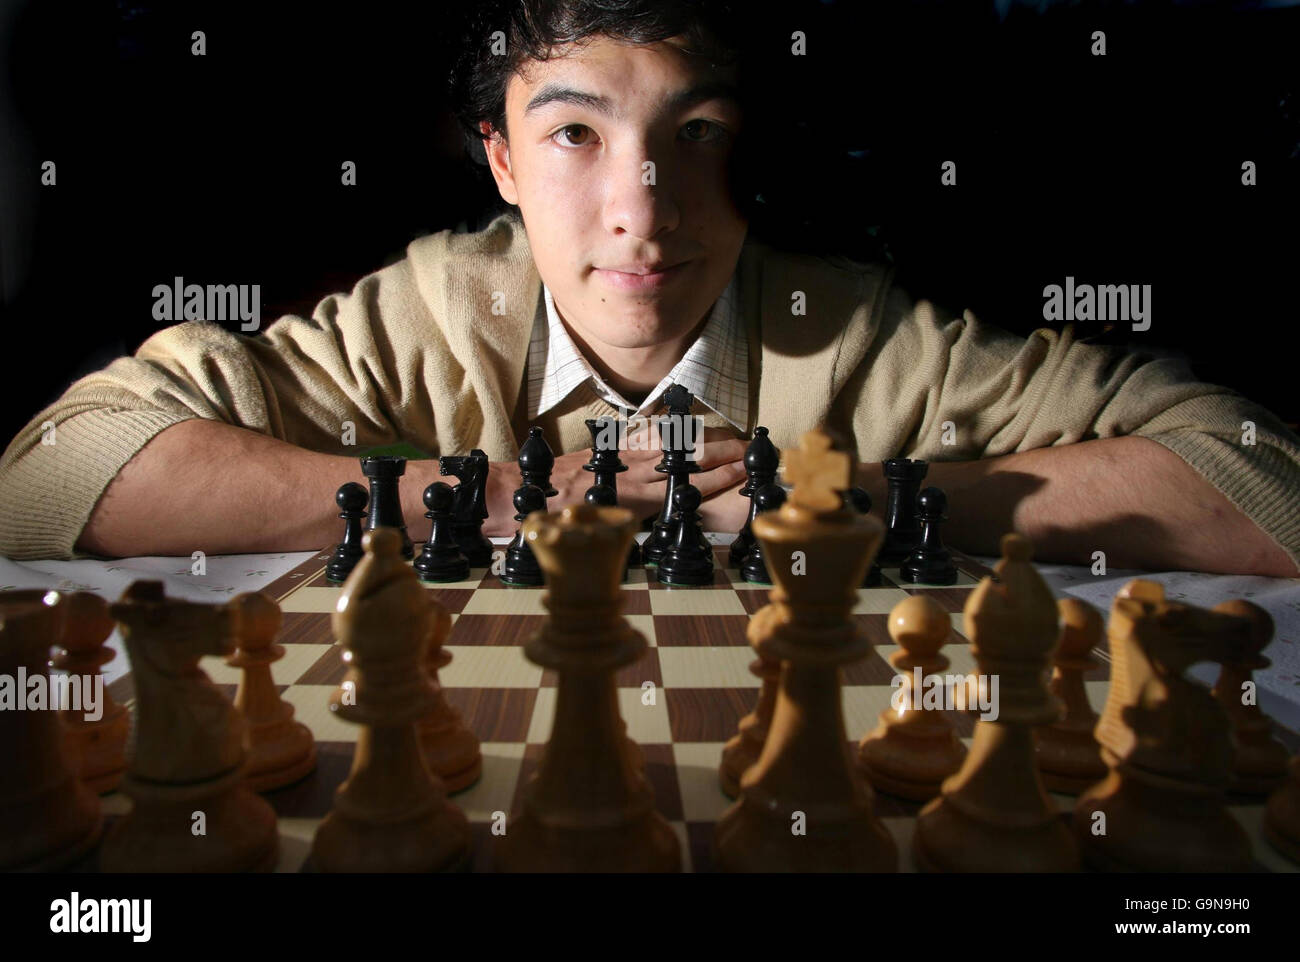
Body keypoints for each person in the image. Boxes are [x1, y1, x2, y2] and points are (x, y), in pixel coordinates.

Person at [0, 0, 1296, 576]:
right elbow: (49, 470)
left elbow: (1264, 480)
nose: (642, 213)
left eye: (697, 135)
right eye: (575, 136)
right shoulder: (430, 307)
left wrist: (853, 503)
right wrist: (477, 497)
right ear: (500, 161)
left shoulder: (855, 326)